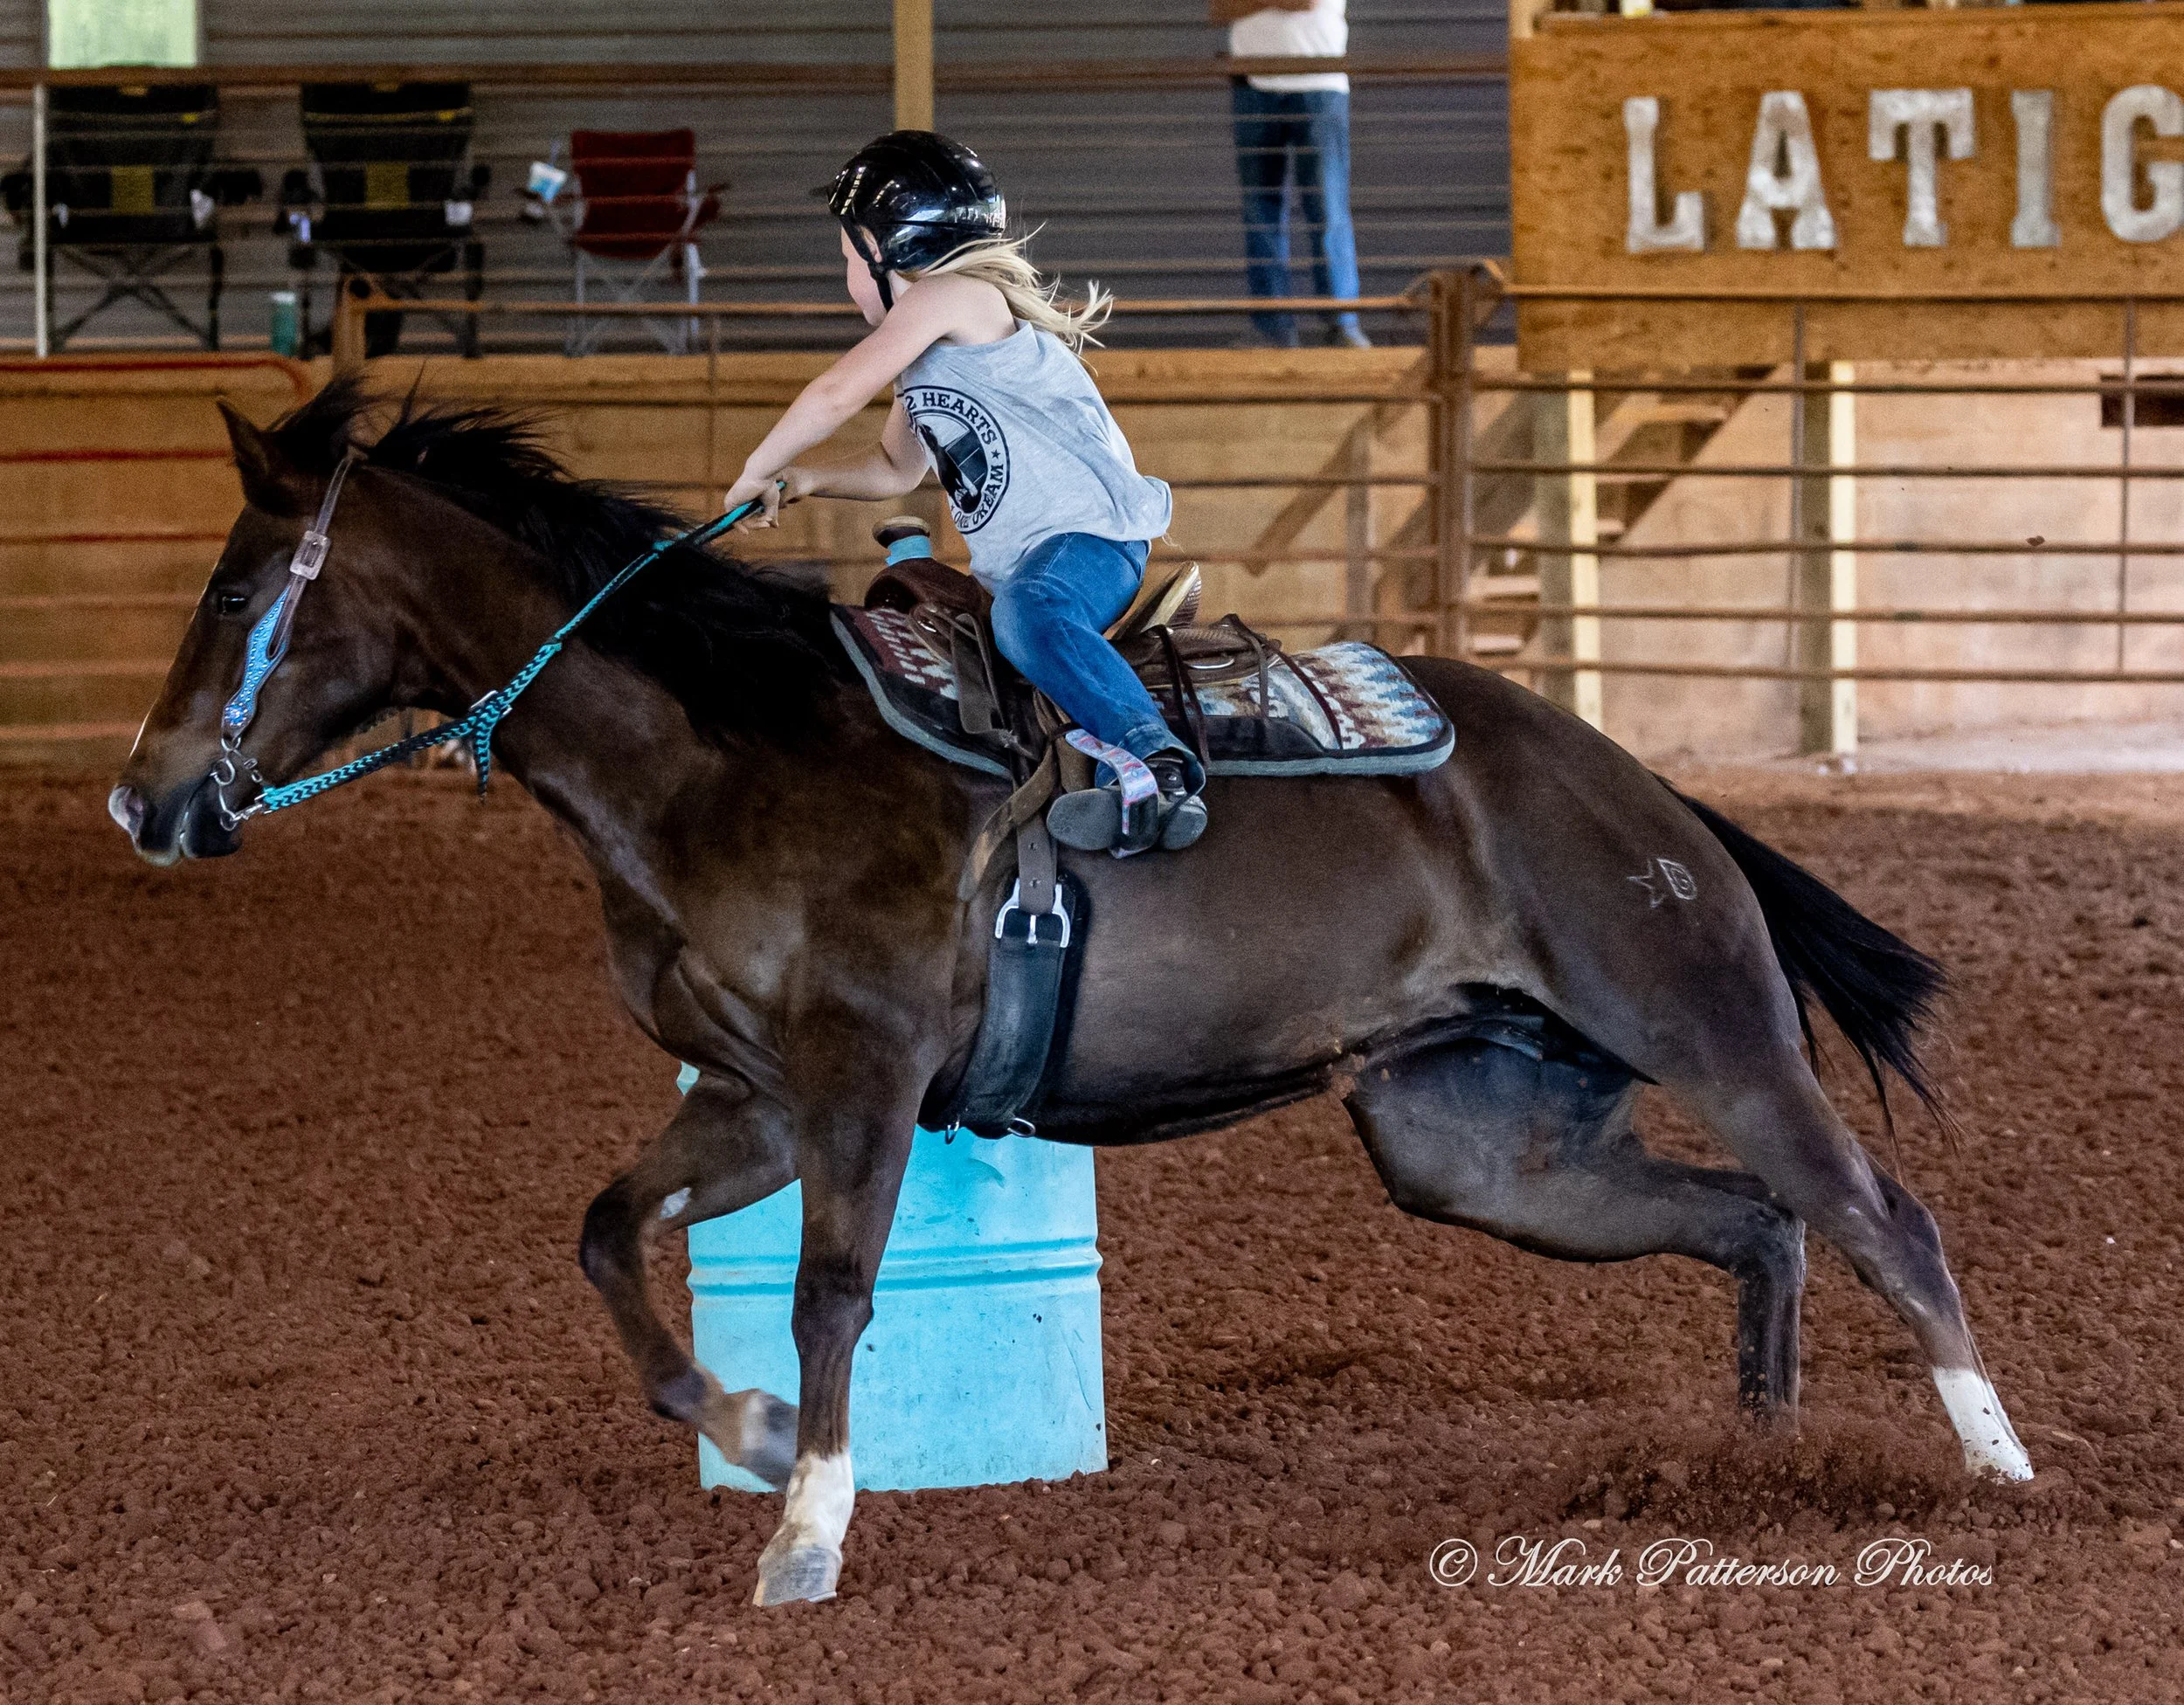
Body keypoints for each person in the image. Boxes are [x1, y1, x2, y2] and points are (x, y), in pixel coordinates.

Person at [722, 131, 1206, 855]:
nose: (850, 280)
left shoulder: (953, 296)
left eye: (852, 261)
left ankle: (1160, 762)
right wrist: (808, 479)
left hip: (1088, 542)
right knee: (1008, 618)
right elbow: (896, 466)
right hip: (1040, 555)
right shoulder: (929, 352)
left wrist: (757, 466)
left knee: (1029, 614)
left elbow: (834, 392)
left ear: (894, 254)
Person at [1216, 0, 1370, 349]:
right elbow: (1218, 8)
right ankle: (1272, 328)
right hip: (1252, 85)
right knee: (1260, 214)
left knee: (1327, 210)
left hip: (1319, 83)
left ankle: (1342, 324)